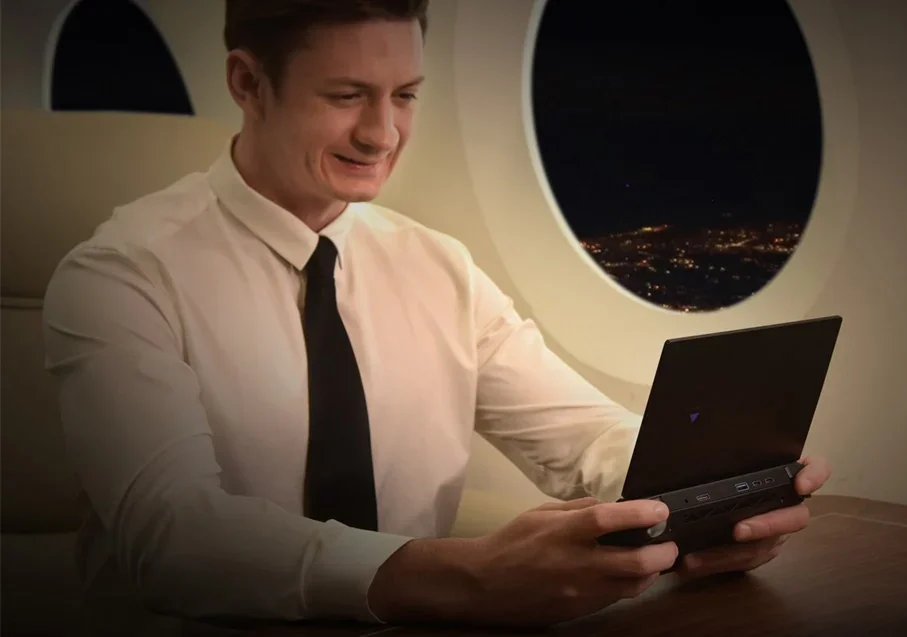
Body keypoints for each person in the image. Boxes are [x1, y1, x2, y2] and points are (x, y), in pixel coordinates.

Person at [42, 0, 831, 633]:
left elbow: (585, 437)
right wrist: (469, 577)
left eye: (405, 96)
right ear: (247, 83)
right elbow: (175, 539)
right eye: (346, 95)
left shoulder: (438, 268)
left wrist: (716, 492)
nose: (382, 134)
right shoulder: (120, 275)